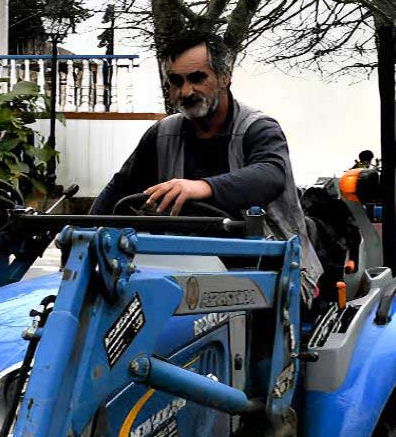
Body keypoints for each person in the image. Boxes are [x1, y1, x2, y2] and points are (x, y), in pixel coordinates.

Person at [92, 33, 317, 294]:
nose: (186, 91)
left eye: (197, 78)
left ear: (224, 77)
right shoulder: (161, 134)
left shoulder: (258, 128)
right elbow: (119, 188)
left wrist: (202, 187)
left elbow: (271, 174)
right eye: (176, 81)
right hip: (183, 269)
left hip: (270, 272)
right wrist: (82, 240)